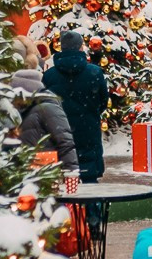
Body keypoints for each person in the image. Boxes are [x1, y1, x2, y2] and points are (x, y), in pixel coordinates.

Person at [45, 29, 111, 182]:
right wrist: (90, 113)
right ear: (80, 47)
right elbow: (103, 101)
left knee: (63, 184)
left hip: (60, 132)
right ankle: (92, 205)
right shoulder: (95, 73)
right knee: (90, 182)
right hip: (88, 131)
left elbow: (44, 105)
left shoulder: (49, 76)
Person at [11, 67, 79, 177]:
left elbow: (65, 141)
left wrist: (71, 172)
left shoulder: (47, 108)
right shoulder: (20, 110)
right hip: (24, 175)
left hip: (46, 175)